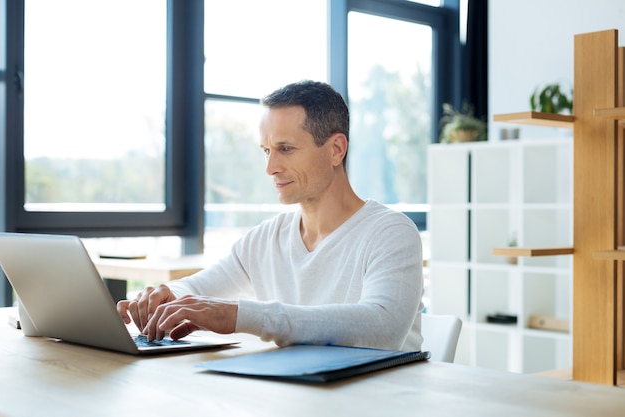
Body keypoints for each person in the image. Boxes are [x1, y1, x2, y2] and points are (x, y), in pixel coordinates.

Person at [117, 80, 424, 351]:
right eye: (266, 150)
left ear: (336, 149)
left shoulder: (391, 233)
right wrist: (166, 296)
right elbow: (198, 289)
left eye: (286, 149)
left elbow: (383, 327)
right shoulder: (265, 239)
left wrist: (240, 316)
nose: (270, 168)